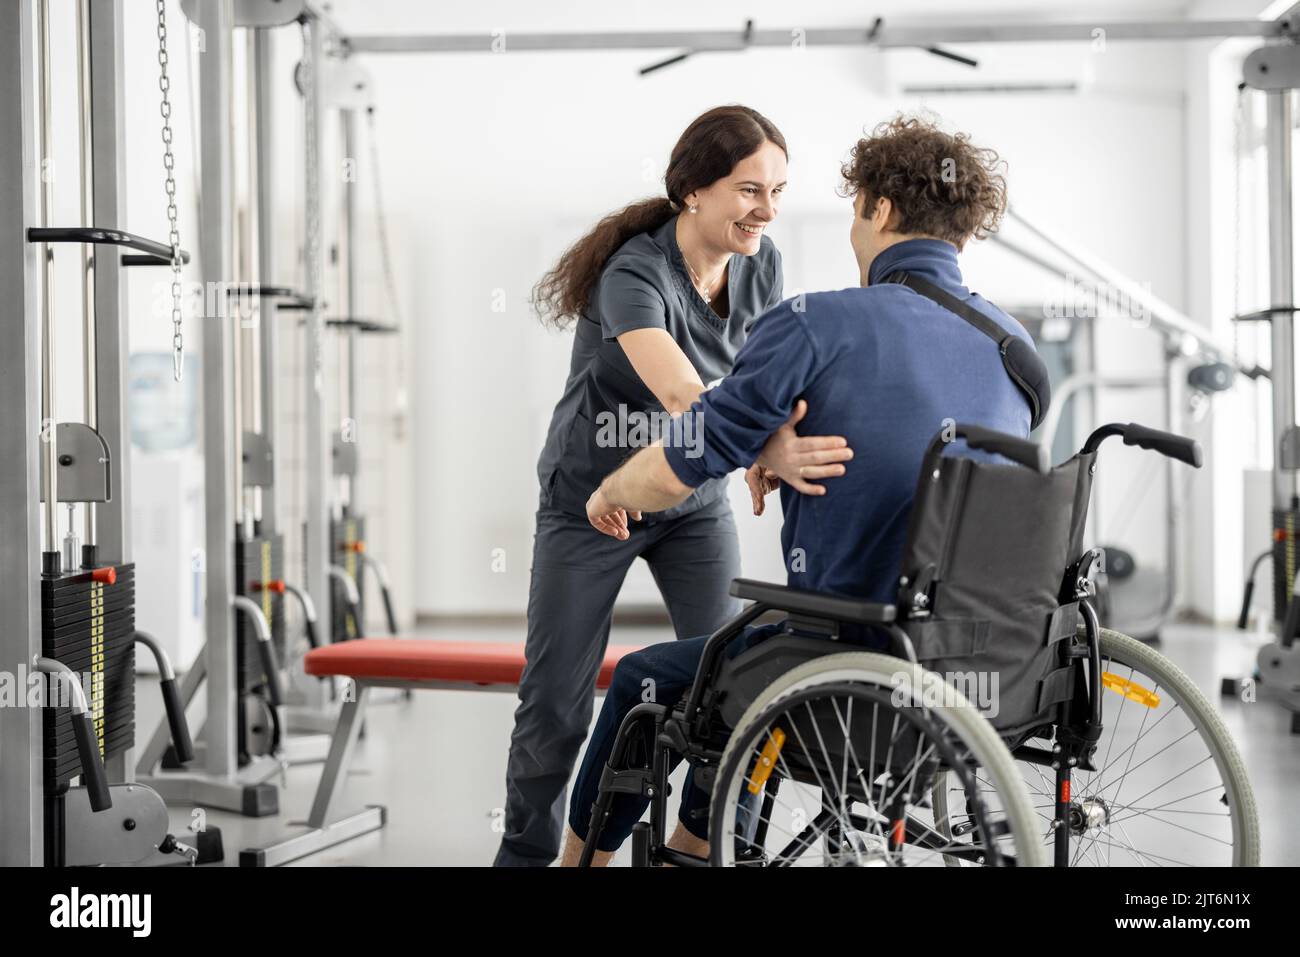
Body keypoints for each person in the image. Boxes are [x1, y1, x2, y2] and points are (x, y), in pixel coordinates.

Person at [561, 113, 1037, 865]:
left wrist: (613, 488)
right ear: (964, 233)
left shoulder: (818, 323)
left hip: (851, 650)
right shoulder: (1015, 349)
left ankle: (575, 866)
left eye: (855, 208)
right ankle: (696, 844)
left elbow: (695, 444)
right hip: (991, 661)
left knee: (654, 678)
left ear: (877, 210)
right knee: (731, 659)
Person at [494, 105, 854, 867]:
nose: (767, 208)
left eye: (779, 190)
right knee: (556, 702)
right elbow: (688, 396)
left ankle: (714, 847)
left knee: (735, 681)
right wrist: (769, 448)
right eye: (749, 188)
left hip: (690, 499)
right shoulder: (635, 272)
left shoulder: (763, 264)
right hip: (592, 496)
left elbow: (755, 382)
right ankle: (527, 860)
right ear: (694, 190)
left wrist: (763, 449)